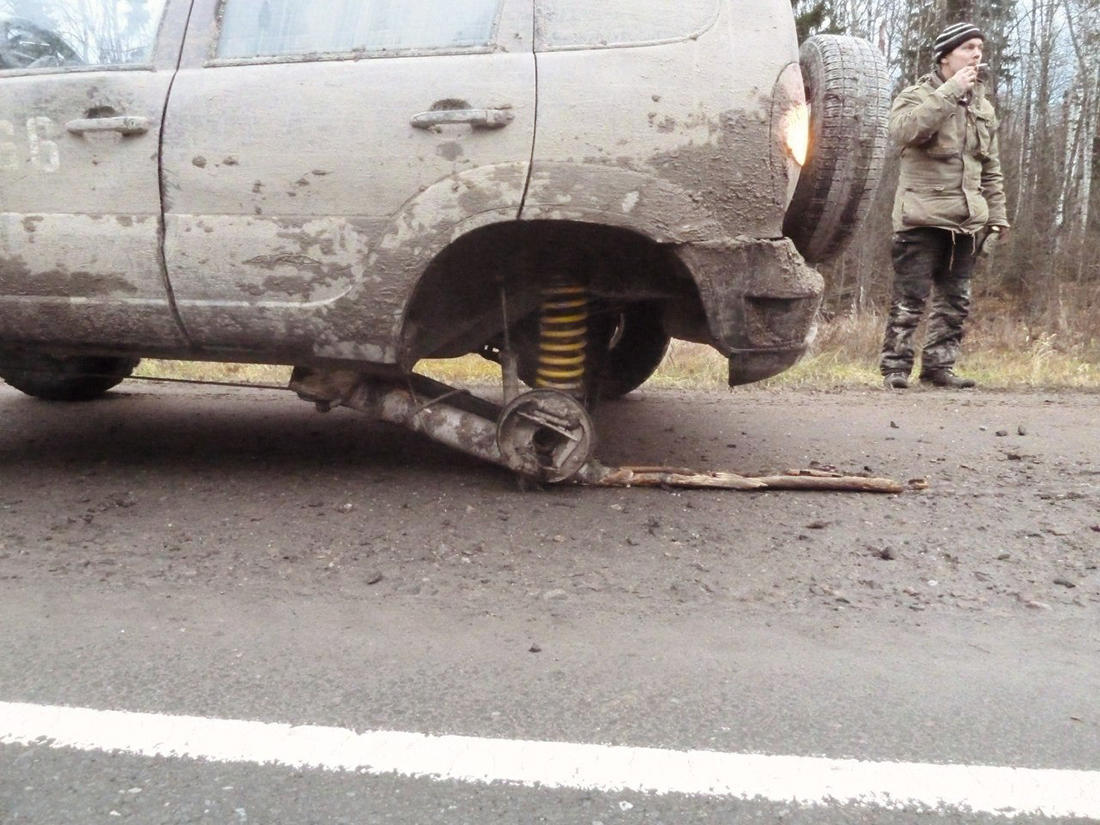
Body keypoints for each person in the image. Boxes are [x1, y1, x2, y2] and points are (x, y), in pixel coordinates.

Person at [880, 22, 1009, 390]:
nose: (977, 54)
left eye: (980, 48)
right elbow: (905, 131)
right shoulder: (914, 96)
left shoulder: (982, 107)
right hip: (920, 218)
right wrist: (951, 92)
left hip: (966, 221)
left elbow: (990, 168)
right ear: (946, 56)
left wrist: (997, 217)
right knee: (910, 301)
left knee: (955, 302)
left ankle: (939, 367)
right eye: (968, 47)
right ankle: (895, 370)